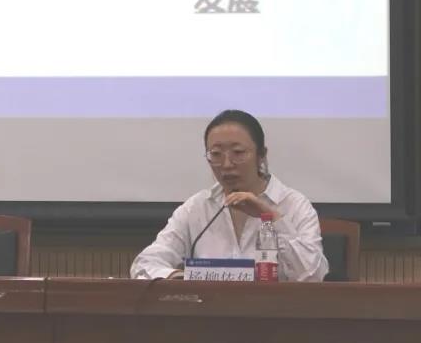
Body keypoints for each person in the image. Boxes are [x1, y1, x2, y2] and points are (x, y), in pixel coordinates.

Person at [130, 109, 328, 282]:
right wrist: (181, 278)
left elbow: (312, 276)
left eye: (238, 152)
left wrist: (271, 218)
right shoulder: (198, 207)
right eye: (216, 154)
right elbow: (145, 263)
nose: (226, 164)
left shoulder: (294, 205)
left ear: (261, 155)